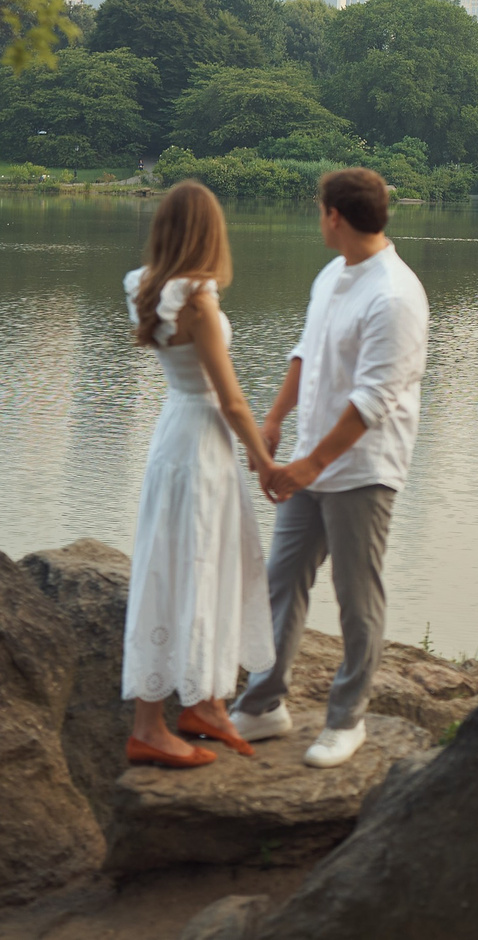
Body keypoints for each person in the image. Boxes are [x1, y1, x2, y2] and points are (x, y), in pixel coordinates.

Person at [229, 167, 429, 768]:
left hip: (362, 469)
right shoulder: (331, 275)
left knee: (355, 595)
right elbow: (305, 351)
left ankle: (348, 720)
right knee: (280, 583)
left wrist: (308, 467)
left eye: (319, 210)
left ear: (334, 216)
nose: (317, 218)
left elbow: (373, 401)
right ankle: (264, 703)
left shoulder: (395, 295)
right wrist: (272, 419)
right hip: (311, 463)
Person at [120, 179, 282, 769]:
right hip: (203, 444)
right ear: (210, 233)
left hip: (173, 436)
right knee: (198, 564)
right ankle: (150, 728)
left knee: (180, 562)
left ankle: (205, 705)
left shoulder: (146, 287)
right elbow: (233, 401)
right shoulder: (199, 302)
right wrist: (268, 466)